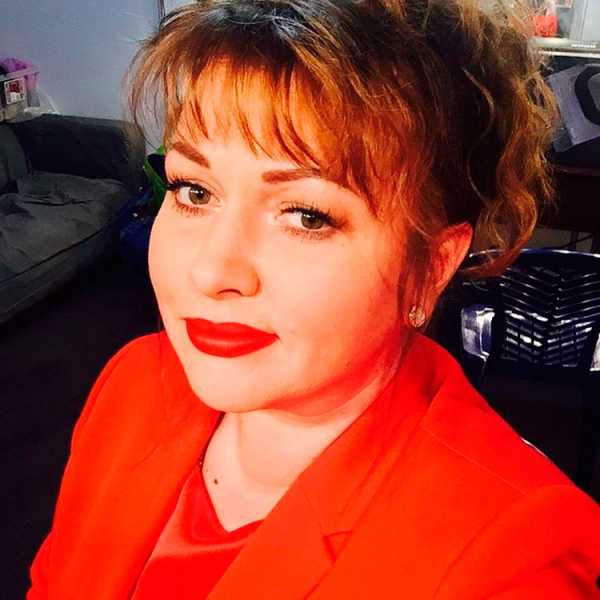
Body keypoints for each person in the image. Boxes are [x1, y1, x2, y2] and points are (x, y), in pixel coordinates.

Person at [28, 1, 600, 598]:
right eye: (194, 190)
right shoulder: (133, 385)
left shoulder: (511, 557)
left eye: (306, 215)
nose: (212, 271)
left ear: (430, 267)